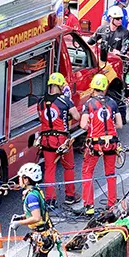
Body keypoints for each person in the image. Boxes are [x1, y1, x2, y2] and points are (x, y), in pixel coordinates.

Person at [79, 74, 123, 216]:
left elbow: (83, 125)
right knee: (110, 174)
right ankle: (111, 204)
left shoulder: (89, 104)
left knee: (87, 172)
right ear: (104, 88)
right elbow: (119, 125)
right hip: (111, 143)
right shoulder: (112, 103)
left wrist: (93, 126)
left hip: (95, 144)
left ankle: (89, 206)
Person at [38, 73, 80, 208]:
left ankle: (50, 200)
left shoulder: (41, 102)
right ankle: (70, 196)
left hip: (46, 139)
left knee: (49, 169)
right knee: (69, 167)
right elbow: (77, 116)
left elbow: (41, 119)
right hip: (62, 140)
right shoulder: (65, 100)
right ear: (61, 85)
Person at [10, 163, 56, 257]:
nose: (19, 180)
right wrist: (23, 216)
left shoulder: (31, 196)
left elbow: (36, 217)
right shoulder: (36, 191)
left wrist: (19, 222)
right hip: (44, 233)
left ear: (26, 179)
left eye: (20, 177)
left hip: (42, 235)